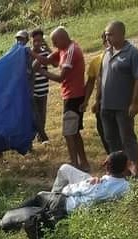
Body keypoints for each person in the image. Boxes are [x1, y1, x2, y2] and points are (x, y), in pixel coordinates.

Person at [0, 151, 130, 239]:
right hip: (81, 205)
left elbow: (68, 191)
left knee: (40, 196)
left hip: (65, 204)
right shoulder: (125, 187)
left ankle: (4, 218)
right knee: (65, 169)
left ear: (107, 167)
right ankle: (48, 200)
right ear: (124, 168)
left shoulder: (94, 184)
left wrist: (86, 182)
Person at [96, 21, 138, 178]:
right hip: (106, 106)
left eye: (110, 34)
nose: (107, 37)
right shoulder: (106, 53)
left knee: (127, 139)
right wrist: (98, 100)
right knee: (111, 139)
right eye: (106, 34)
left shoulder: (133, 54)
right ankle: (117, 171)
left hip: (123, 106)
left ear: (121, 34)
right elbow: (100, 78)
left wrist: (134, 103)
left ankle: (134, 171)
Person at [39, 26, 90, 172]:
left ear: (63, 38)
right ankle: (83, 163)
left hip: (74, 96)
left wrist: (42, 72)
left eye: (55, 41)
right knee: (74, 132)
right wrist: (33, 55)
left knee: (69, 133)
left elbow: (61, 78)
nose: (54, 45)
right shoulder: (63, 49)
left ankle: (75, 165)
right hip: (71, 95)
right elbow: (48, 60)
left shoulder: (71, 51)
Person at [84, 33, 111, 154]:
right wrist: (86, 101)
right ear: (103, 43)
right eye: (106, 40)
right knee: (103, 132)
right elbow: (90, 83)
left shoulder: (123, 58)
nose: (108, 42)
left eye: (110, 39)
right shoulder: (96, 61)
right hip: (101, 103)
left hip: (119, 103)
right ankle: (111, 156)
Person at [31, 29, 52, 144]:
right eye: (35, 41)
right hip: (33, 88)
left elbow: (55, 61)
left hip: (43, 87)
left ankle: (40, 134)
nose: (37, 43)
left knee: (42, 113)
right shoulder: (29, 53)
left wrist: (47, 46)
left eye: (39, 40)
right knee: (36, 114)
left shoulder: (44, 52)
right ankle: (43, 136)